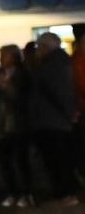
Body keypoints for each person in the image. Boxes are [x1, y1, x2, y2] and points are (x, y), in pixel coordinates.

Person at [30, 32, 79, 205]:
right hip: (55, 120)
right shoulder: (59, 62)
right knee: (58, 159)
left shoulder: (53, 65)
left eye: (39, 46)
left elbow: (59, 92)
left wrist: (69, 112)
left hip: (53, 121)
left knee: (58, 159)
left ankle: (65, 192)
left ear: (46, 47)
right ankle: (64, 191)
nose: (37, 50)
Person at [0, 44, 34, 207]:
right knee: (5, 161)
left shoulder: (24, 74)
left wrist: (7, 88)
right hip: (0, 122)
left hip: (17, 123)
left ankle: (26, 193)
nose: (1, 59)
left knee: (21, 160)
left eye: (4, 55)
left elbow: (25, 99)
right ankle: (12, 192)